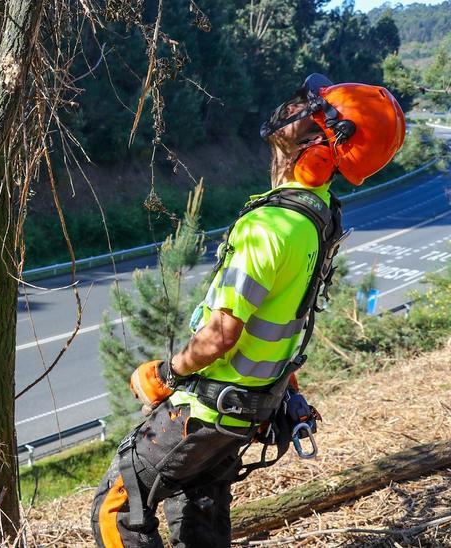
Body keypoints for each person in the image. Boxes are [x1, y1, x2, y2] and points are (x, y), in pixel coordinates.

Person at [90, 74, 406, 547]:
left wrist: (165, 375)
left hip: (208, 402)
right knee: (198, 509)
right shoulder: (317, 212)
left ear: (321, 146)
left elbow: (221, 334)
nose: (293, 109)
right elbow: (285, 311)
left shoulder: (271, 225)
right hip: (248, 405)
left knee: (117, 504)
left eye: (309, 111)